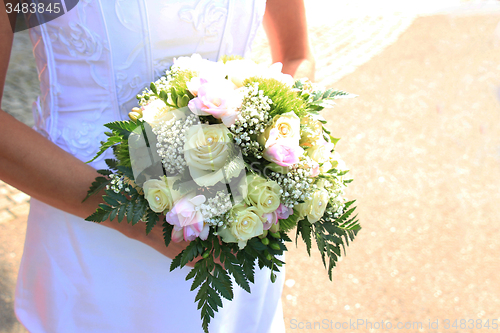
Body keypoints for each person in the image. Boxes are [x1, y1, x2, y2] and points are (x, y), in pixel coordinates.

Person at [0, 0, 315, 332]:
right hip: (93, 238)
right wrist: (142, 224)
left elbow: (297, 56)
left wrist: (279, 139)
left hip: (237, 228)